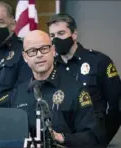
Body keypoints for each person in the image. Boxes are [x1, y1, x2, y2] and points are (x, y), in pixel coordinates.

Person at [10, 30, 103, 147]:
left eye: (44, 48)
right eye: (32, 51)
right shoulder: (18, 92)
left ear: (53, 51)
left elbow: (91, 138)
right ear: (25, 57)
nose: (39, 55)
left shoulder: (75, 90)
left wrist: (62, 138)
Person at [47, 13, 121, 145]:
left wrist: (103, 137)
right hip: (60, 141)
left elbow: (117, 105)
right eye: (52, 36)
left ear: (74, 34)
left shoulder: (99, 61)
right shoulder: (51, 67)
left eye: (61, 33)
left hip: (91, 140)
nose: (56, 39)